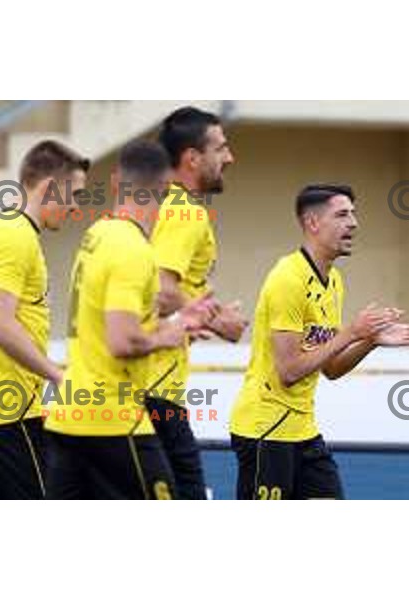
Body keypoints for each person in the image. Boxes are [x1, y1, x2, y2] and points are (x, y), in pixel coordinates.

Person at [230, 184, 409, 500]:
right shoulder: (287, 279)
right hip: (265, 430)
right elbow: (289, 372)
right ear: (313, 223)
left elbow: (330, 367)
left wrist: (369, 341)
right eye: (342, 215)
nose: (354, 223)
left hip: (304, 431)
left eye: (354, 214)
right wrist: (351, 333)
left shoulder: (334, 281)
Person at [44, 140, 212, 500]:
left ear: (118, 182)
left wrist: (178, 319)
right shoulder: (134, 249)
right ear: (165, 190)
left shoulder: (97, 234)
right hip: (113, 418)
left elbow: (116, 318)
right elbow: (122, 342)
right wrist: (169, 338)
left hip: (68, 415)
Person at [0, 140, 90, 500]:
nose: (76, 206)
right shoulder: (15, 235)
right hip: (10, 412)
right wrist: (58, 375)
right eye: (75, 194)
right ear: (50, 187)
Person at [149, 106, 248, 499]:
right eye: (221, 148)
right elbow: (156, 288)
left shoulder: (154, 204)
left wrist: (190, 320)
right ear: (192, 158)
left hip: (136, 387)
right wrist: (217, 317)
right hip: (155, 391)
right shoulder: (185, 211)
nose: (230, 157)